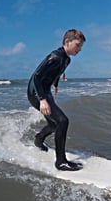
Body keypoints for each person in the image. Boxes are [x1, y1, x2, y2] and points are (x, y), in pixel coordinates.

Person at [27, 29, 86, 171]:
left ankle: (39, 139)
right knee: (62, 121)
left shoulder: (67, 59)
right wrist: (42, 99)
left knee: (54, 124)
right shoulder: (55, 56)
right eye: (77, 45)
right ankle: (61, 162)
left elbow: (56, 73)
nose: (80, 49)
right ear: (67, 42)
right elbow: (37, 76)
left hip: (45, 92)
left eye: (81, 47)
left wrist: (56, 84)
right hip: (36, 93)